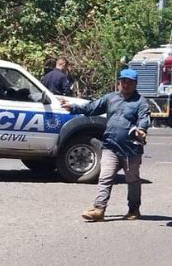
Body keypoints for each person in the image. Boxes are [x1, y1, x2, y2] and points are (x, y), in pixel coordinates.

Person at [61, 68, 150, 222]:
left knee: (133, 181)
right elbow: (92, 107)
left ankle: (134, 209)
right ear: (119, 83)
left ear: (135, 84)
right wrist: (73, 107)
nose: (126, 85)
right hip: (110, 146)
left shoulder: (141, 102)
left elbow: (144, 118)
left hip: (131, 150)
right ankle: (99, 209)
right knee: (105, 177)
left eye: (130, 83)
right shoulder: (110, 98)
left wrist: (141, 130)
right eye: (123, 82)